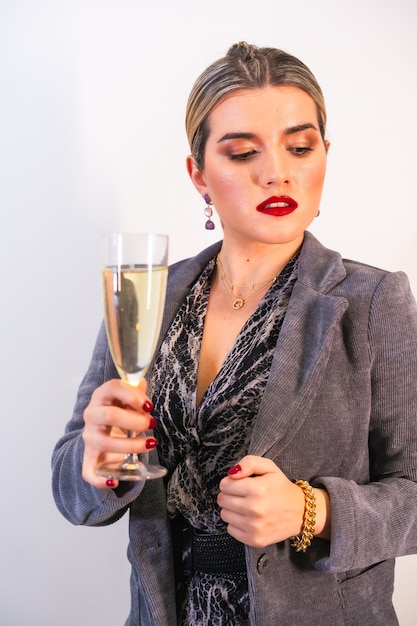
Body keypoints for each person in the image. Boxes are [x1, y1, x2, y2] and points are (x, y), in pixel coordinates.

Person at [51, 42, 417, 626]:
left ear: (326, 154)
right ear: (198, 174)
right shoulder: (150, 296)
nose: (278, 171)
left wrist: (312, 509)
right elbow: (71, 491)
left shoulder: (371, 302)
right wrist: (93, 461)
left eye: (301, 147)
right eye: (244, 152)